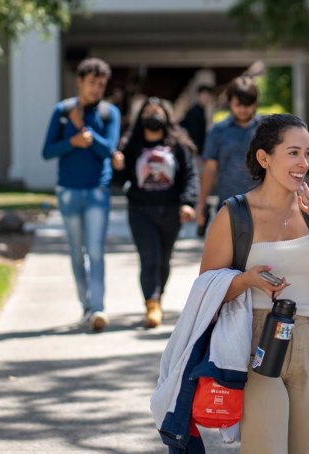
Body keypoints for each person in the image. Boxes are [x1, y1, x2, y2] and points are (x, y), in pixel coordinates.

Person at [199, 114, 309, 453]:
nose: (303, 163)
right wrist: (247, 280)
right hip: (257, 339)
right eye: (294, 153)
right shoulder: (234, 214)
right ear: (264, 157)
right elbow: (206, 292)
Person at [42, 58, 121, 332]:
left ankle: (98, 307)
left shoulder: (110, 113)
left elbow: (108, 150)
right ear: (80, 81)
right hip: (68, 192)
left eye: (101, 85)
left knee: (96, 251)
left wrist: (83, 130)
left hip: (97, 191)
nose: (96, 89)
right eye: (92, 83)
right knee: (77, 252)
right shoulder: (62, 110)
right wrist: (71, 141)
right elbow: (47, 151)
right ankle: (86, 306)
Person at [112, 97, 198, 328]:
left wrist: (188, 202)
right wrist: (118, 167)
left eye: (157, 111)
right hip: (140, 210)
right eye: (148, 112)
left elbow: (190, 175)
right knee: (149, 257)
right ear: (140, 118)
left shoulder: (178, 145)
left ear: (166, 116)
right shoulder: (131, 146)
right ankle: (151, 303)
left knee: (164, 259)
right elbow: (119, 182)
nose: (153, 115)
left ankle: (157, 298)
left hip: (170, 211)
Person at [195, 77, 260, 234]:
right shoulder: (218, 130)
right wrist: (201, 203)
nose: (243, 109)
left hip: (262, 204)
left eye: (248, 105)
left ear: (255, 103)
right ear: (229, 102)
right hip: (229, 204)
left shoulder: (265, 129)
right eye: (238, 105)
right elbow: (210, 169)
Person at [180, 84, 214, 153]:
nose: (206, 98)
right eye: (204, 95)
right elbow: (194, 132)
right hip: (193, 148)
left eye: (209, 96)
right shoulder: (194, 111)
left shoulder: (201, 110)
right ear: (199, 95)